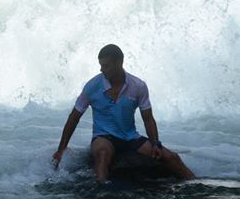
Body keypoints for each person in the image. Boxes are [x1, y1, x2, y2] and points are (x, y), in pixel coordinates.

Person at [52, 44, 195, 183]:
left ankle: (196, 183)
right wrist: (61, 150)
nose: (102, 69)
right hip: (103, 136)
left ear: (119, 63)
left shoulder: (138, 86)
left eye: (106, 65)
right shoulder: (92, 86)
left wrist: (155, 143)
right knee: (102, 155)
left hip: (130, 137)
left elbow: (148, 119)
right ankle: (101, 194)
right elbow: (74, 117)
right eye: (101, 65)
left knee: (171, 157)